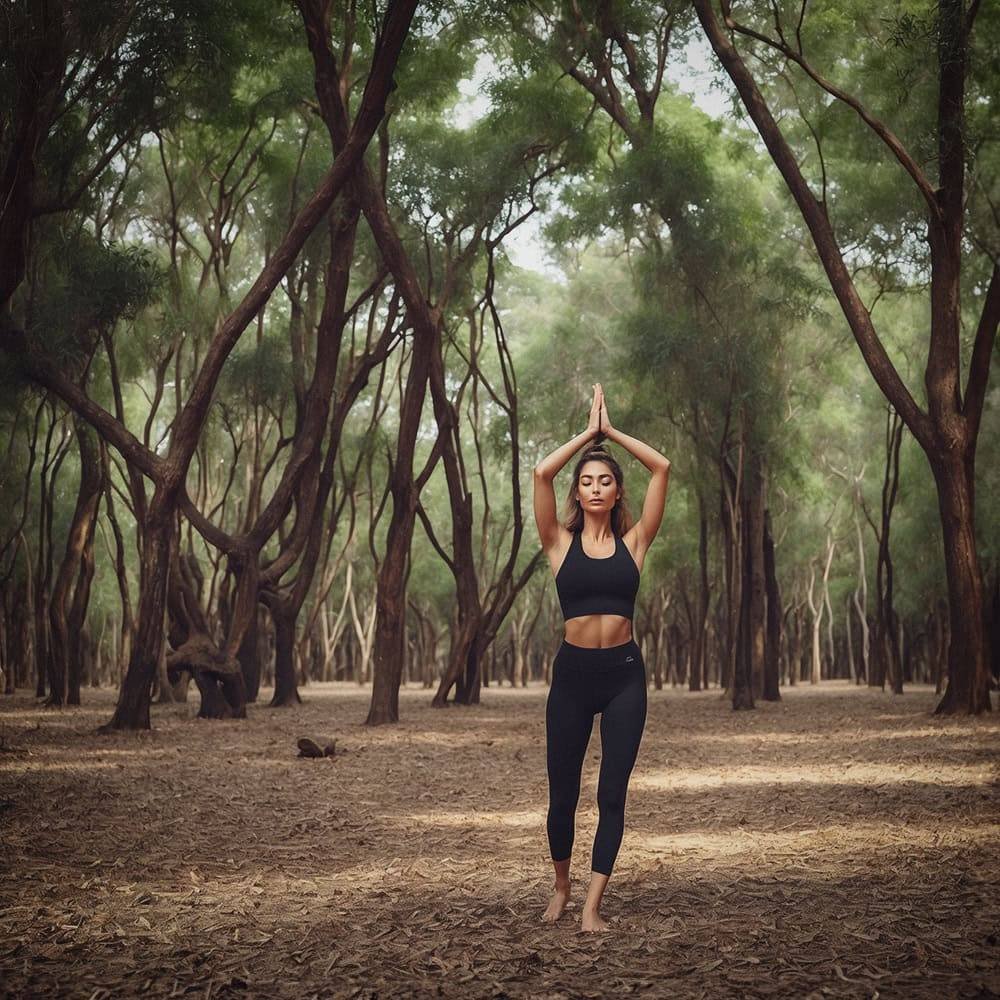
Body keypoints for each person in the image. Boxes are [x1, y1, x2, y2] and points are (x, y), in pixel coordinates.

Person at [532, 382, 671, 932]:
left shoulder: (635, 543)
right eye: (587, 481)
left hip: (623, 679)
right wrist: (587, 435)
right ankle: (562, 886)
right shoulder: (557, 544)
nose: (594, 487)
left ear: (616, 493)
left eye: (604, 480)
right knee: (562, 793)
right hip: (572, 677)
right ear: (579, 494)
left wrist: (611, 433)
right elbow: (542, 474)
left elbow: (661, 468)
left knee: (612, 792)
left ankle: (593, 903)